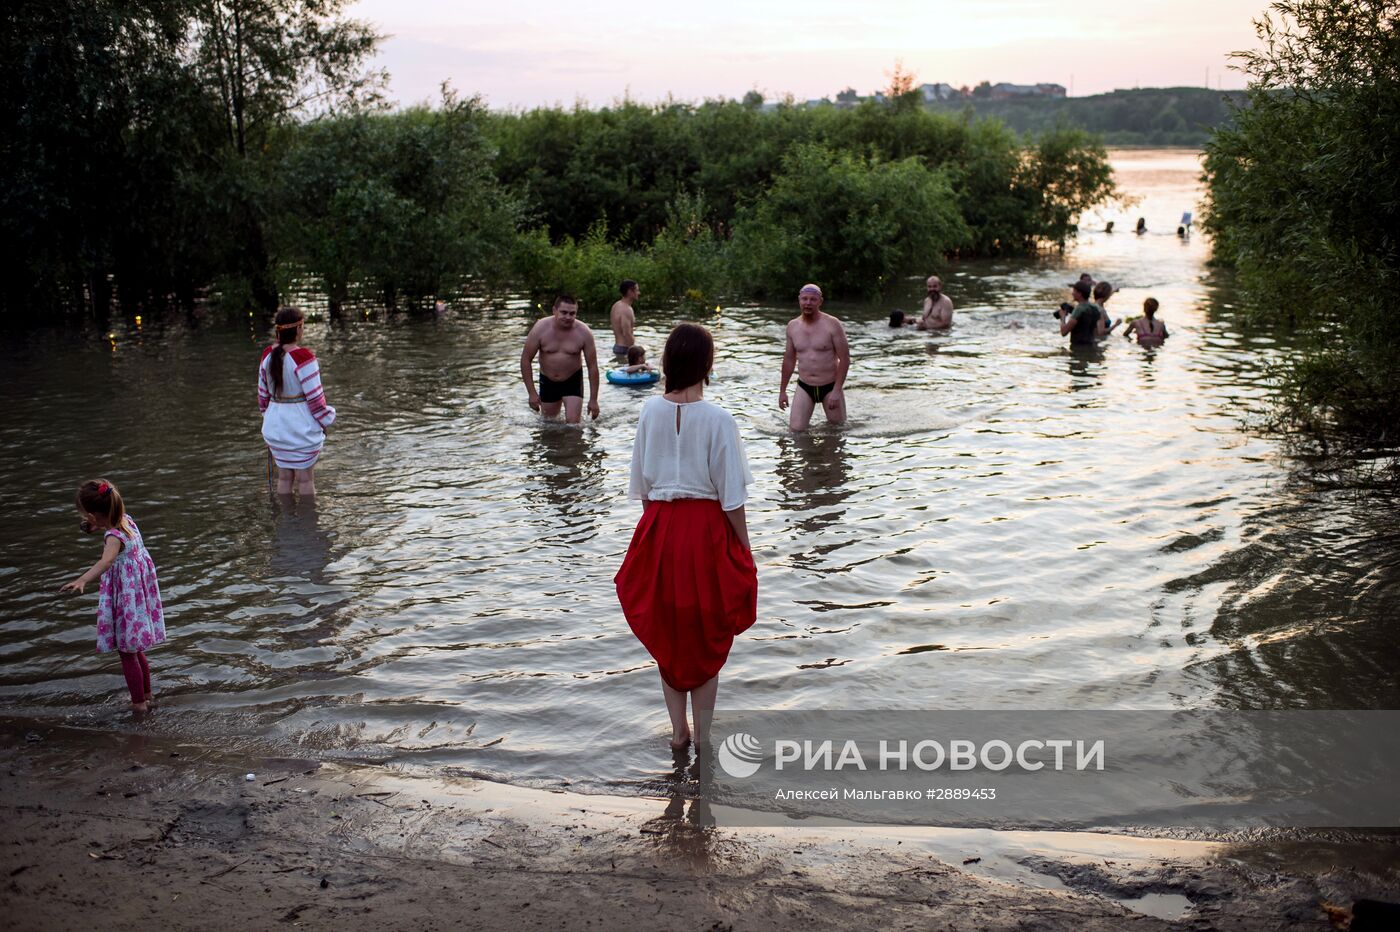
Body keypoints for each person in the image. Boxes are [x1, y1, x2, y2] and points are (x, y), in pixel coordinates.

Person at [615, 323, 757, 750]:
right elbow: (731, 497)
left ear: (669, 361)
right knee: (706, 631)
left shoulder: (648, 412)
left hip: (657, 527)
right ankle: (704, 739)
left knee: (670, 632)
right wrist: (745, 551)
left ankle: (678, 731)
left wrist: (655, 536)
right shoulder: (719, 419)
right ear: (706, 364)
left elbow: (641, 485)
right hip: (706, 532)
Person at [60, 479, 166, 714]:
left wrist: (82, 579)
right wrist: (94, 525)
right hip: (137, 595)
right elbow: (107, 525)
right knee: (135, 648)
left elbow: (107, 560)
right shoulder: (126, 520)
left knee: (127, 652)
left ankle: (138, 704)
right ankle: (147, 694)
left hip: (126, 597)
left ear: (92, 514)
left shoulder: (113, 537)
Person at [258, 306, 336, 498]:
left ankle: (286, 525)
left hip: (275, 425)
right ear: (298, 329)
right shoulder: (304, 358)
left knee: (284, 478)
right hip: (301, 426)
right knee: (306, 479)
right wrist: (326, 421)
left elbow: (262, 397)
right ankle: (307, 525)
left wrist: (268, 418)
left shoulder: (267, 354)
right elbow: (316, 401)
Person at [779, 284, 850, 431]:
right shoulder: (792, 326)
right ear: (799, 300)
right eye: (804, 299)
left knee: (838, 430)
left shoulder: (832, 324)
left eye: (813, 299)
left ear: (820, 301)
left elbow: (844, 359)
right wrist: (782, 391)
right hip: (805, 386)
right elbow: (789, 360)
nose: (808, 303)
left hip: (830, 386)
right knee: (796, 430)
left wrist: (837, 391)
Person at [521, 294, 601, 423]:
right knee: (549, 425)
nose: (568, 317)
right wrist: (531, 393)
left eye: (572, 313)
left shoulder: (584, 332)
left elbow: (593, 367)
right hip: (548, 380)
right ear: (554, 310)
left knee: (573, 425)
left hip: (572, 380)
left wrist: (593, 399)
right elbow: (525, 360)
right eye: (564, 312)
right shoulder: (540, 328)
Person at [1059, 280, 1102, 346]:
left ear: (1079, 294)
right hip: (1091, 345)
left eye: (1074, 291)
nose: (1072, 293)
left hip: (1077, 347)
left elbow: (1064, 332)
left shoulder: (1079, 309)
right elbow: (1097, 332)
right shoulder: (1095, 308)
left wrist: (1063, 316)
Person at [610, 279, 640, 356]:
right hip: (625, 349)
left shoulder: (616, 305)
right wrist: (634, 351)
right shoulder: (626, 309)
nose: (639, 293)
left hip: (617, 346)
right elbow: (626, 333)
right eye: (637, 290)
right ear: (630, 291)